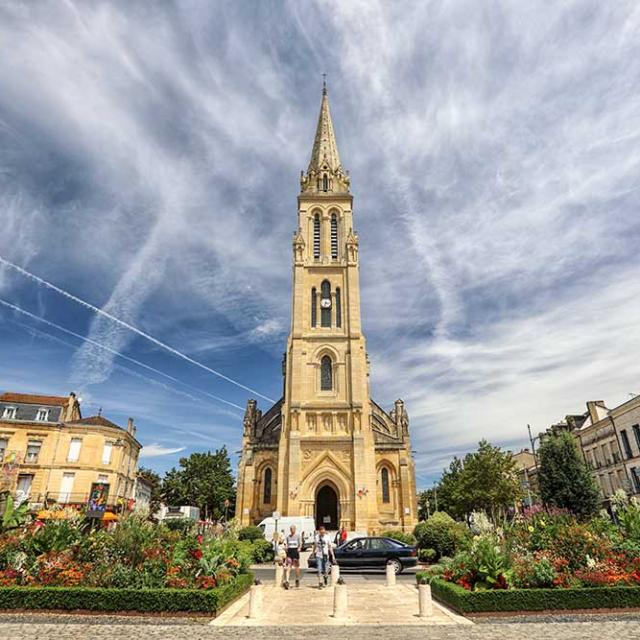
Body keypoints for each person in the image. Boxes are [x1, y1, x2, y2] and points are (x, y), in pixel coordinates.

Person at [283, 524, 302, 589]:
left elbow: (300, 544)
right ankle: (287, 581)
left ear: (295, 529)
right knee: (289, 566)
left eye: (293, 529)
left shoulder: (298, 536)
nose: (292, 530)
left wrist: (299, 548)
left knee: (296, 567)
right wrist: (286, 547)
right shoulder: (288, 537)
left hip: (295, 551)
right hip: (290, 551)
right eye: (291, 529)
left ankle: (297, 578)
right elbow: (286, 544)